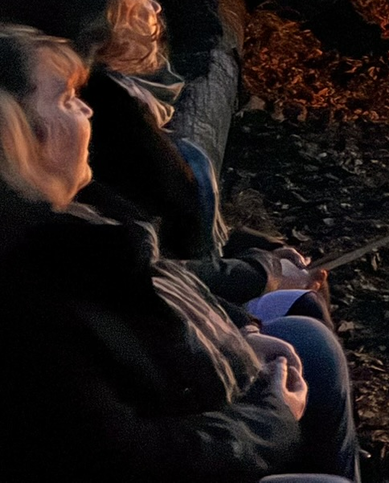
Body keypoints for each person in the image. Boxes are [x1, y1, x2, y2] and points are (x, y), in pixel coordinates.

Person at [0, 24, 359, 482]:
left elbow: (161, 291)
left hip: (191, 396)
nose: (88, 109)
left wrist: (239, 332)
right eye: (67, 100)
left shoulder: (79, 221)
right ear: (17, 138)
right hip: (195, 436)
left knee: (311, 351)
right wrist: (271, 420)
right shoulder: (33, 297)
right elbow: (131, 456)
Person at [0, 0, 325, 308]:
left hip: (194, 289)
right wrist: (262, 274)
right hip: (187, 304)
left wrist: (259, 250)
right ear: (105, 21)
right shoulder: (105, 122)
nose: (156, 9)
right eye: (143, 0)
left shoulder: (119, 95)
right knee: (307, 309)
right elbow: (152, 262)